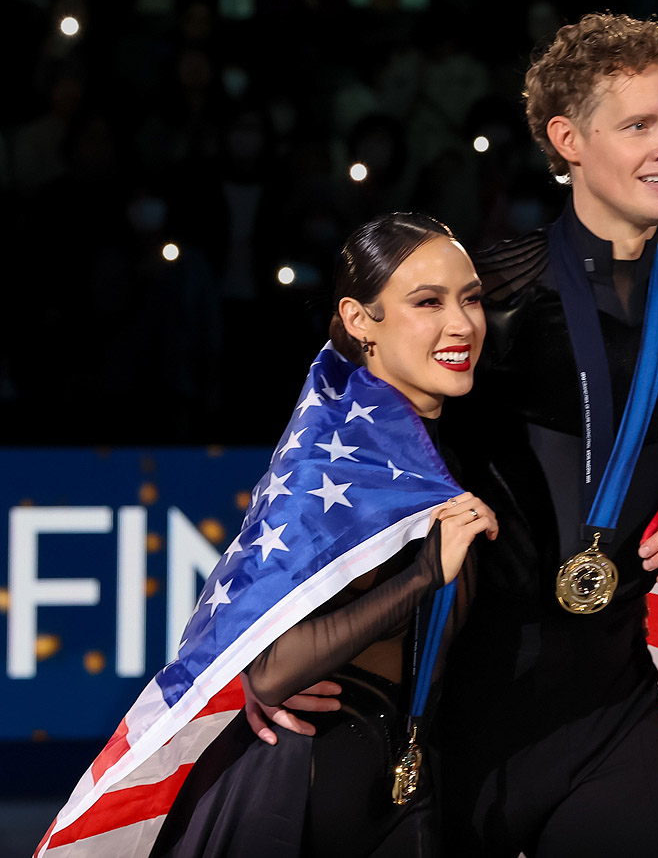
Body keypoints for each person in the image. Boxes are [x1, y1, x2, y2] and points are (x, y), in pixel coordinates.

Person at [243, 13, 658, 857]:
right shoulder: (483, 296)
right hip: (459, 712)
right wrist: (269, 637)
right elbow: (331, 446)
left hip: (610, 704)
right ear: (568, 139)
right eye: (639, 124)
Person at [34, 213, 497, 858]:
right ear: (361, 321)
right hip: (302, 793)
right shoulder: (338, 460)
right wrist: (425, 574)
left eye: (470, 297)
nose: (462, 324)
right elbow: (275, 669)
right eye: (428, 302)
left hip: (402, 785)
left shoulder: (433, 445)